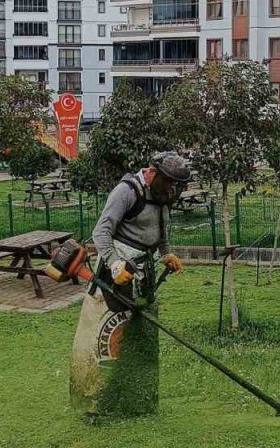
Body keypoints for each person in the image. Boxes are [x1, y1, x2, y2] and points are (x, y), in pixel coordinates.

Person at [71, 152, 189, 419]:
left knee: (142, 334)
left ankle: (139, 400)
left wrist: (166, 253)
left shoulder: (163, 194)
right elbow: (101, 231)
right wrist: (114, 263)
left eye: (176, 183)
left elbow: (160, 232)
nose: (172, 188)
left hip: (145, 274)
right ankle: (95, 403)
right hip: (115, 273)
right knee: (107, 335)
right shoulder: (126, 191)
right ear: (153, 173)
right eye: (169, 181)